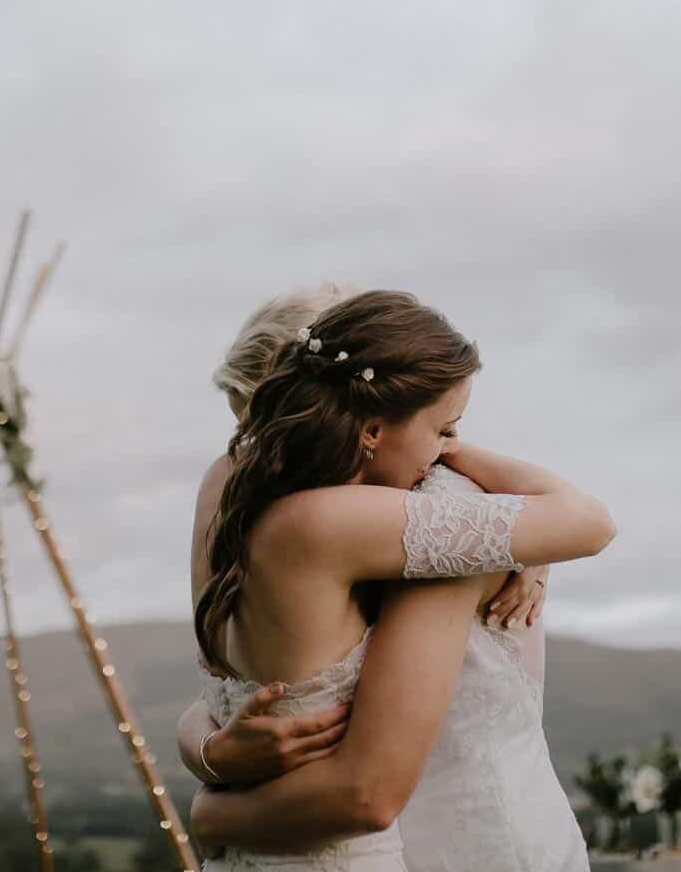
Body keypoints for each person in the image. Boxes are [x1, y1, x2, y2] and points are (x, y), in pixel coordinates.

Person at [185, 288, 613, 870]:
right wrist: (208, 755)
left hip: (486, 846)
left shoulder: (425, 511)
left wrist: (211, 805)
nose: (269, 454)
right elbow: (234, 693)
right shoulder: (277, 505)